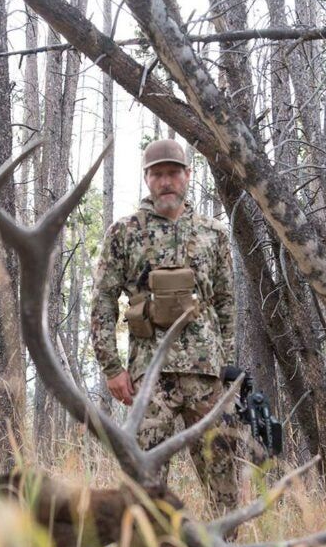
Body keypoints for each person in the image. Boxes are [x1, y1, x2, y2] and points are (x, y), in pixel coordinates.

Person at [90, 138, 240, 516]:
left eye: (173, 173)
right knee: (145, 479)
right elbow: (103, 301)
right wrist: (112, 367)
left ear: (188, 175)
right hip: (149, 377)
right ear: (147, 178)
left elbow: (225, 302)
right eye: (157, 174)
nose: (166, 181)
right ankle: (148, 546)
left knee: (222, 472)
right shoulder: (124, 233)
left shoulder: (213, 233)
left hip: (206, 375)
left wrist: (226, 368)